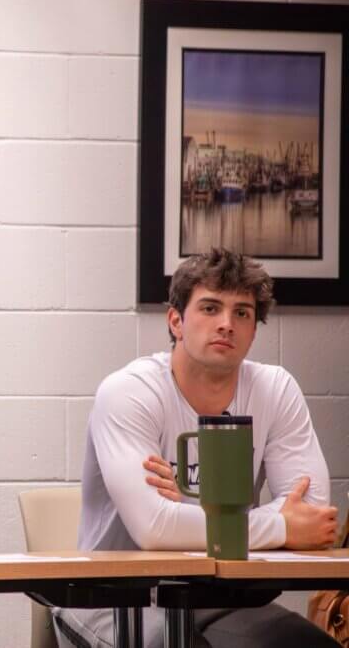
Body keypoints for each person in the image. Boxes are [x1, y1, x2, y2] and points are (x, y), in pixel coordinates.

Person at [54, 247, 339, 648]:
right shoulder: (130, 392)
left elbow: (311, 517)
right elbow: (153, 529)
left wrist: (181, 515)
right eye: (210, 308)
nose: (226, 324)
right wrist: (278, 524)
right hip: (116, 601)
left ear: (254, 330)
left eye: (242, 313)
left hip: (222, 598)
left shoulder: (275, 389)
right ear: (176, 321)